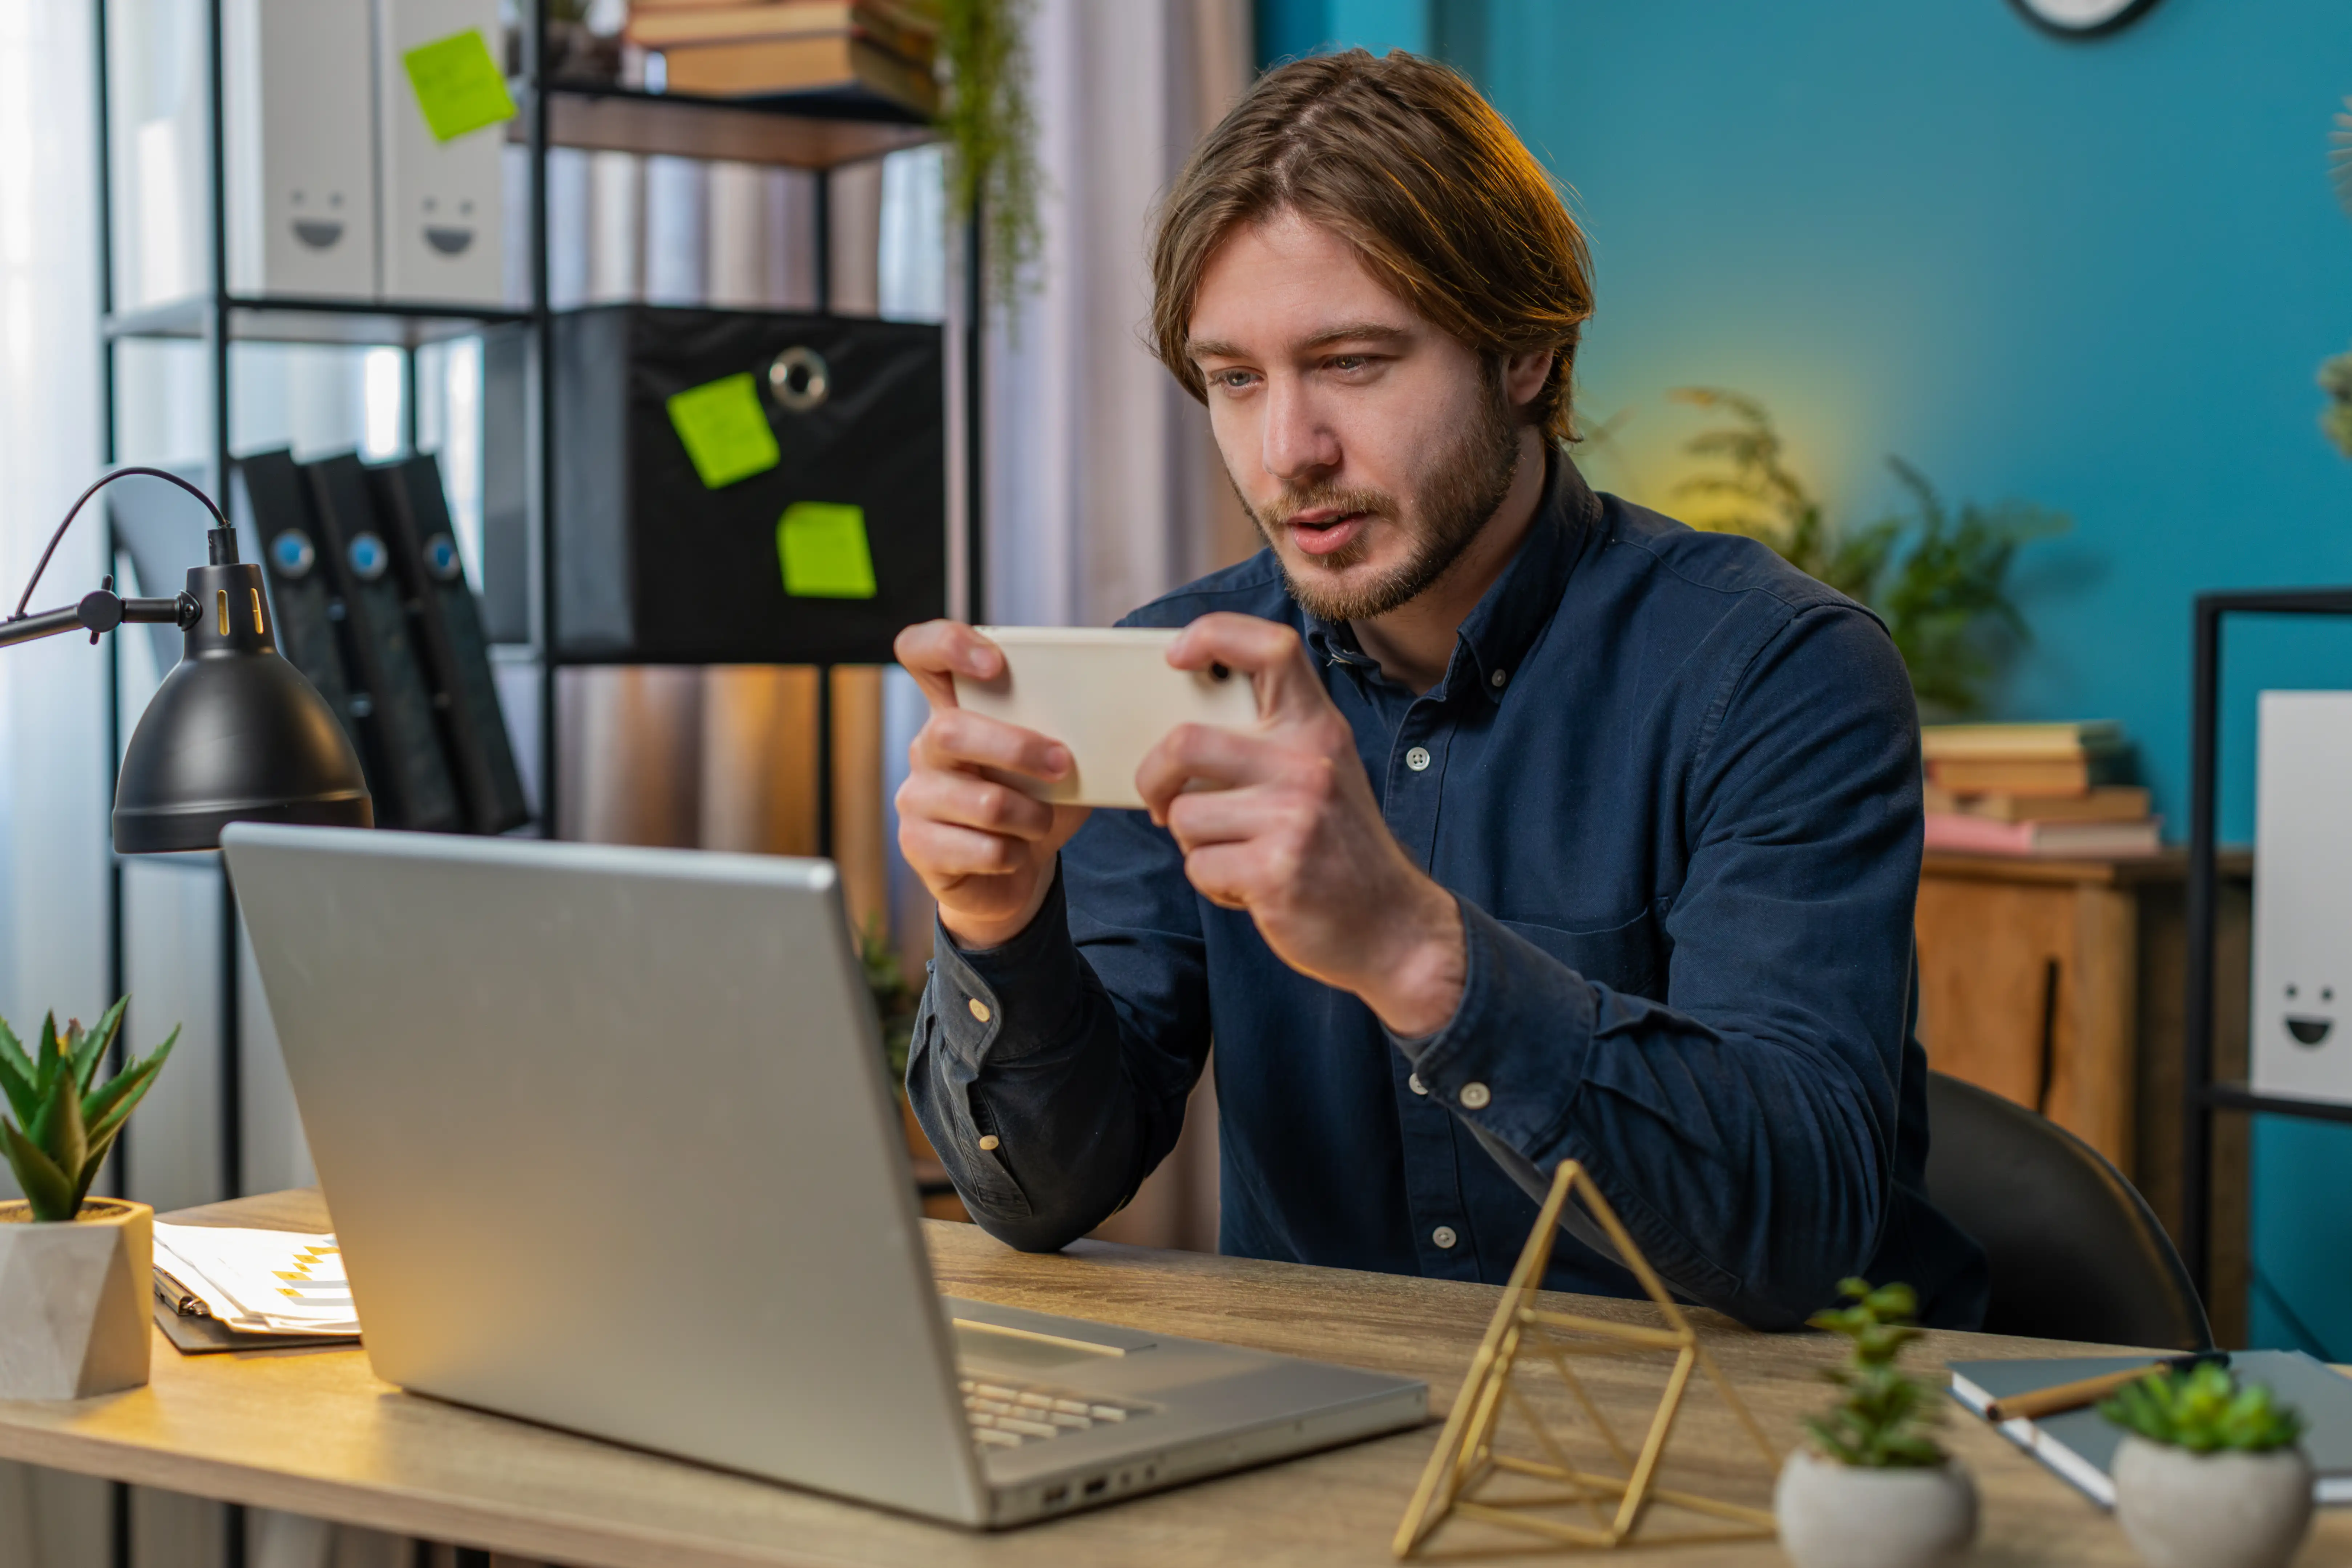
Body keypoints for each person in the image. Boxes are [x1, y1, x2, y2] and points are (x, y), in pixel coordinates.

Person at [892, 48, 1986, 1331]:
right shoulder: (1182, 665)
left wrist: (1413, 948)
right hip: (1337, 1437)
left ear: (1525, 351)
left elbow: (1799, 1231)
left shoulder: (1781, 674)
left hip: (1757, 1454)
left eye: (1352, 361)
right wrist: (997, 928)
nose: (1285, 451)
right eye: (1236, 379)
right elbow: (1044, 1197)